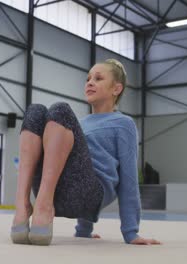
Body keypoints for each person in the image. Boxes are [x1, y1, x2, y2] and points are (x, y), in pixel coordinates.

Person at [10, 59, 161, 246]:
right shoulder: (77, 124)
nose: (90, 82)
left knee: (60, 110)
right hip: (53, 190)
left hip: (88, 196)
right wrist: (84, 232)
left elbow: (128, 179)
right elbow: (78, 161)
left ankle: (43, 207)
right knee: (35, 111)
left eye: (98, 78)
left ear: (116, 89)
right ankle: (23, 205)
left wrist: (131, 233)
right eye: (88, 79)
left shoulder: (124, 124)